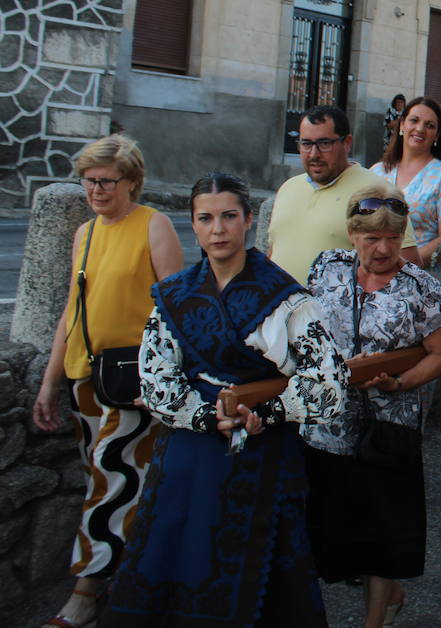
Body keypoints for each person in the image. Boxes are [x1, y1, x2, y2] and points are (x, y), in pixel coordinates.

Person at [102, 173, 349, 627]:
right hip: (189, 456)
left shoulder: (287, 299)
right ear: (193, 226)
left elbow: (329, 381)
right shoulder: (174, 297)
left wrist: (268, 411)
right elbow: (156, 375)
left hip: (264, 456)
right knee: (176, 557)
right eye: (206, 218)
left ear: (249, 221)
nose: (218, 229)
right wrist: (202, 416)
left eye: (229, 217)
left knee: (264, 579)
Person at [31, 136, 183, 628]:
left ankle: (85, 595)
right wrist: (49, 382)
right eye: (89, 180)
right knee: (114, 482)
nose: (95, 189)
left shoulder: (153, 225)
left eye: (105, 181)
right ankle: (136, 579)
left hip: (131, 378)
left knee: (109, 478)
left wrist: (163, 378)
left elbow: (176, 312)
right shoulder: (86, 233)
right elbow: (70, 312)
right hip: (83, 376)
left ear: (131, 182)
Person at [300, 184, 441, 628]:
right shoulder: (326, 268)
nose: (384, 248)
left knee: (383, 533)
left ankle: (375, 619)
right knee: (335, 527)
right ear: (352, 234)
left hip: (389, 428)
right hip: (327, 425)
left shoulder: (419, 287)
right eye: (372, 238)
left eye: (393, 237)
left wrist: (399, 382)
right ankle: (388, 595)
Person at [270, 105, 418, 284]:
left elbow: (408, 267)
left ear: (347, 143)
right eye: (306, 144)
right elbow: (273, 252)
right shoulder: (288, 187)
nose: (314, 154)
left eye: (324, 144)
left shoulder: (377, 192)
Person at [371, 96, 441, 270]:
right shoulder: (377, 172)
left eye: (430, 125)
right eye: (414, 120)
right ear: (402, 125)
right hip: (372, 280)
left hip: (420, 284)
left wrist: (402, 266)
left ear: (437, 135)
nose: (420, 129)